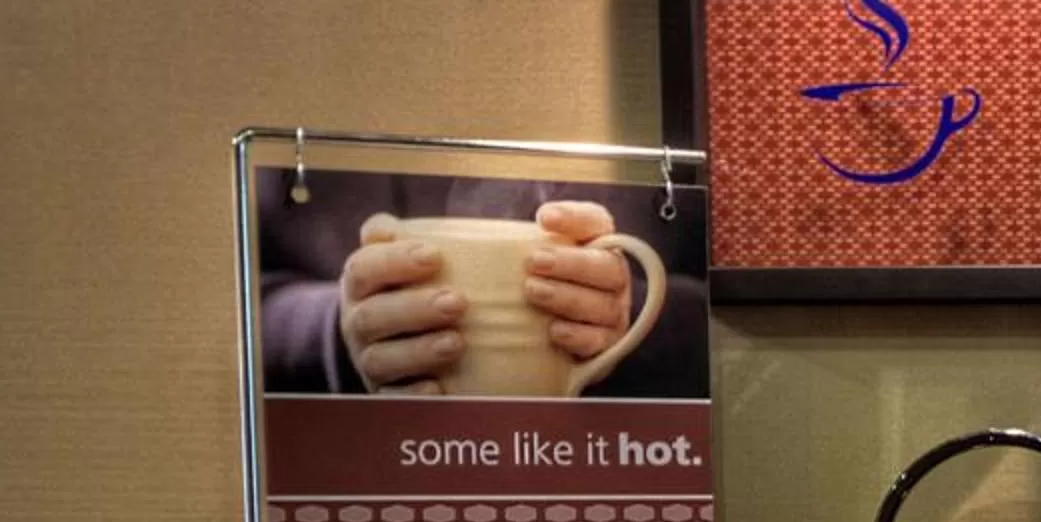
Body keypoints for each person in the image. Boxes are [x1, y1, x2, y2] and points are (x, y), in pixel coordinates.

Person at [256, 173, 708, 397]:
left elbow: (744, 313)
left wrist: (626, 315)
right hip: (354, 472)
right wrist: (338, 328)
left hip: (608, 463)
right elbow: (223, 298)